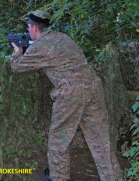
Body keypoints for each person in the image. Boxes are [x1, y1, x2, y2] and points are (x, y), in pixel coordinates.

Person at [10, 10, 123, 181]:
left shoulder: (41, 46)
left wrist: (17, 51)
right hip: (93, 87)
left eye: (28, 27)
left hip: (71, 92)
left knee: (59, 141)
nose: (27, 31)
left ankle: (58, 178)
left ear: (34, 27)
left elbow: (17, 67)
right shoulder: (63, 38)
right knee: (101, 141)